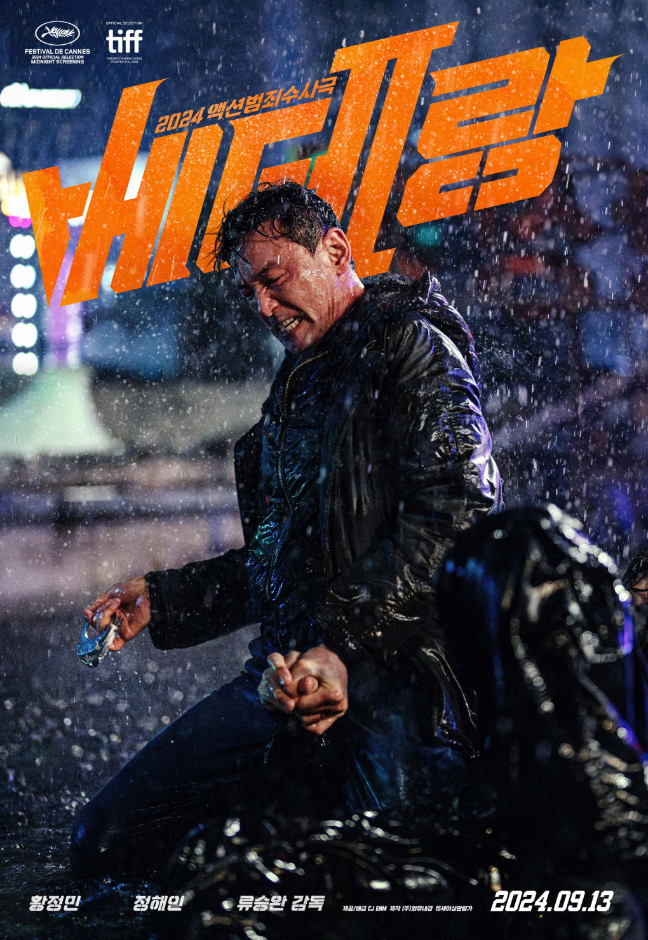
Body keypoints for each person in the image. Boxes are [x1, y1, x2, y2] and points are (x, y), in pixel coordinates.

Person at [70, 181, 501, 878]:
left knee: (381, 889)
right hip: (283, 677)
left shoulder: (410, 347)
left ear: (336, 250)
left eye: (274, 280)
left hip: (398, 679)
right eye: (252, 292)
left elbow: (458, 514)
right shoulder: (300, 381)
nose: (264, 308)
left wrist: (343, 648)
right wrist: (166, 599)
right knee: (106, 840)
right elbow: (285, 559)